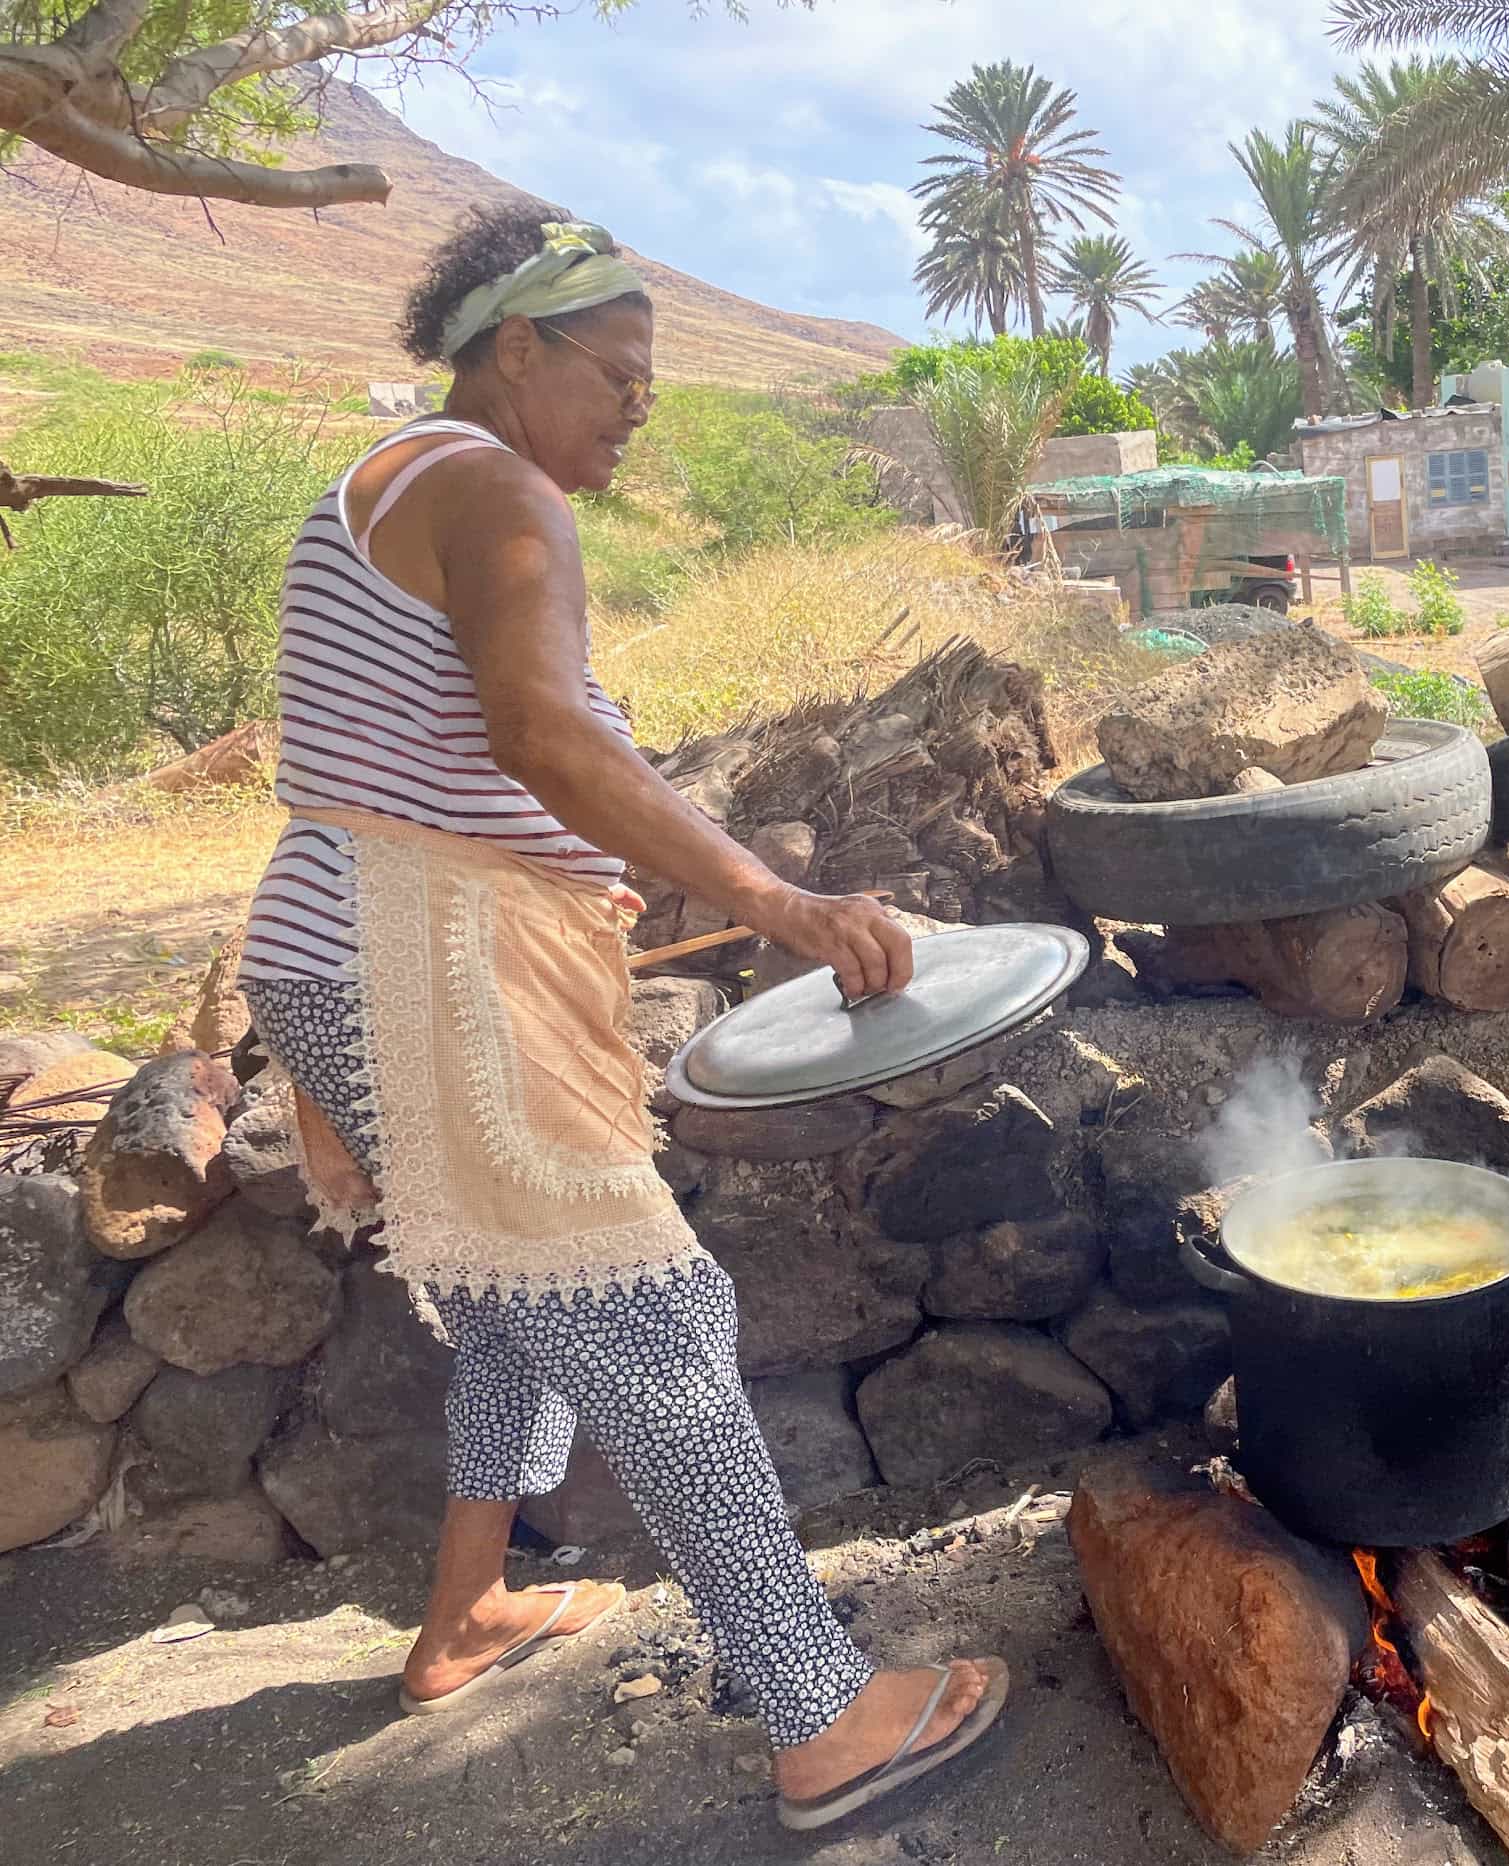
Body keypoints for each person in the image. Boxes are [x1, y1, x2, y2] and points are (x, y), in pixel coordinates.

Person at [234, 207, 1002, 1832]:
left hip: (348, 950)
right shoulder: (494, 488)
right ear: (518, 349)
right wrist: (787, 904)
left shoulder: (383, 480)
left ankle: (464, 1614)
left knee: (518, 1306)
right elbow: (541, 737)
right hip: (423, 967)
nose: (640, 409)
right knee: (657, 1316)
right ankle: (821, 1713)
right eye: (622, 375)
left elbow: (431, 758)